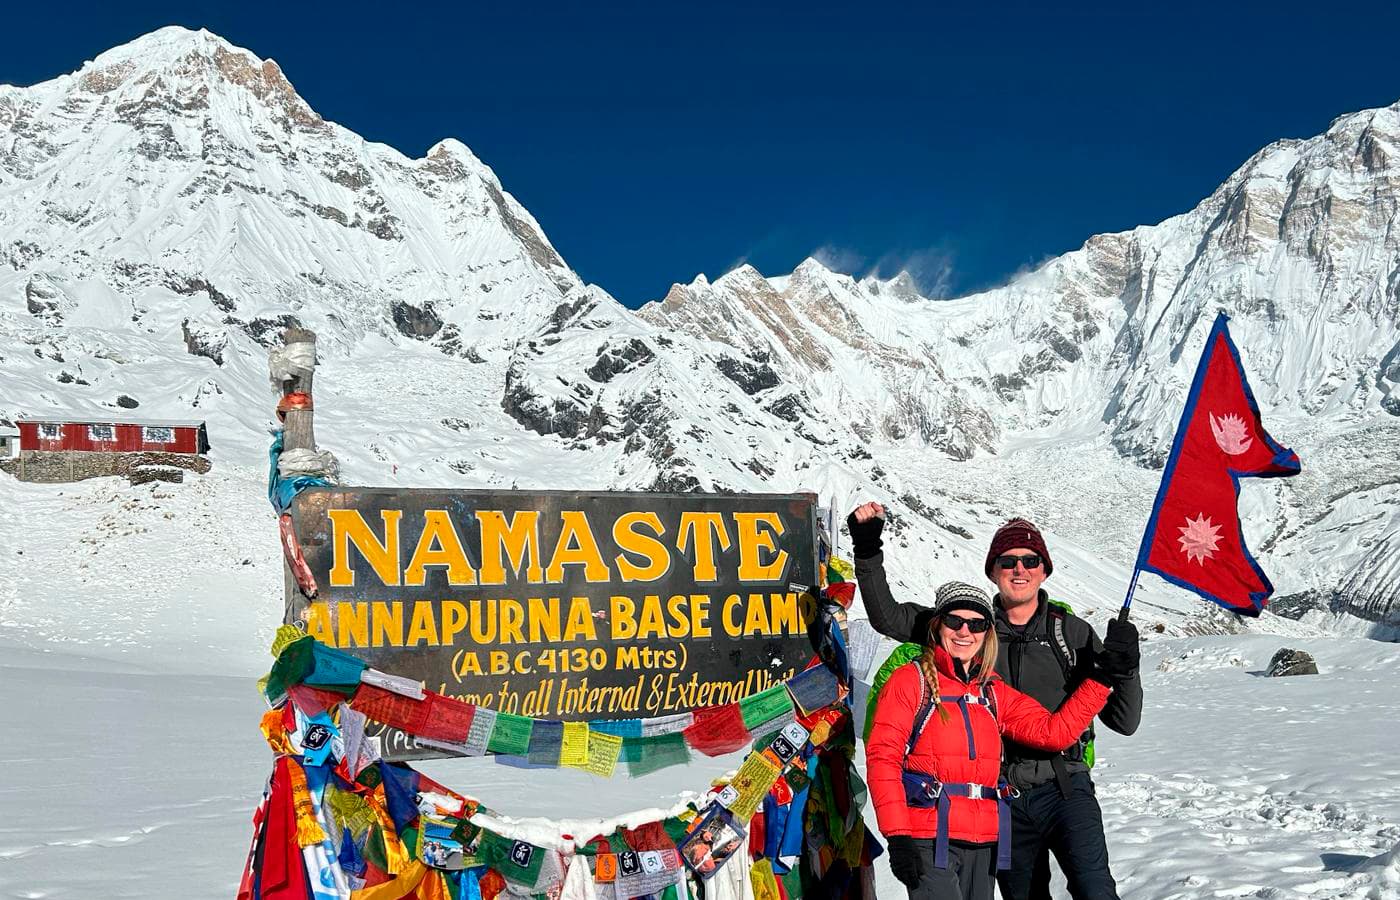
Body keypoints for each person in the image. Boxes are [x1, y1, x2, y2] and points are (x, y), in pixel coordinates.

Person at [849, 503, 1143, 900]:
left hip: (1063, 786)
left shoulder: (1068, 632)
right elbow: (887, 618)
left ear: (1044, 569)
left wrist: (1120, 670)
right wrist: (868, 549)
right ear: (992, 570)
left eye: (1030, 560)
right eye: (1008, 560)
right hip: (1001, 800)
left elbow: (1110, 723)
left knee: (1095, 890)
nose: (1019, 568)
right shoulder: (966, 624)